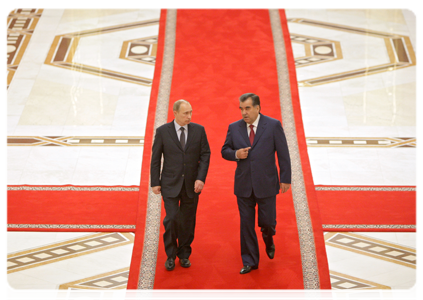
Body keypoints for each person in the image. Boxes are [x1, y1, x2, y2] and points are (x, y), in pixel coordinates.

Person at [221, 93, 291, 274]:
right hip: (243, 185)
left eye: (248, 108)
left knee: (267, 222)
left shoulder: (273, 125)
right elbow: (224, 150)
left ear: (258, 108)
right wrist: (236, 154)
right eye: (241, 109)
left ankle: (268, 238)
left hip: (267, 183)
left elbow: (283, 153)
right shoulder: (234, 127)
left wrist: (285, 178)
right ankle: (250, 261)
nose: (244, 113)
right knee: (246, 224)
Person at [151, 99, 211, 271]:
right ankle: (170, 255)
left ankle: (184, 254)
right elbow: (156, 159)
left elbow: (206, 154)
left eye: (191, 112)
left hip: (192, 185)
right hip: (170, 184)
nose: (189, 116)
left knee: (187, 221)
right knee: (172, 219)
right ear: (175, 113)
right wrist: (155, 182)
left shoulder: (199, 130)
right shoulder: (163, 132)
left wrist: (201, 178)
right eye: (185, 113)